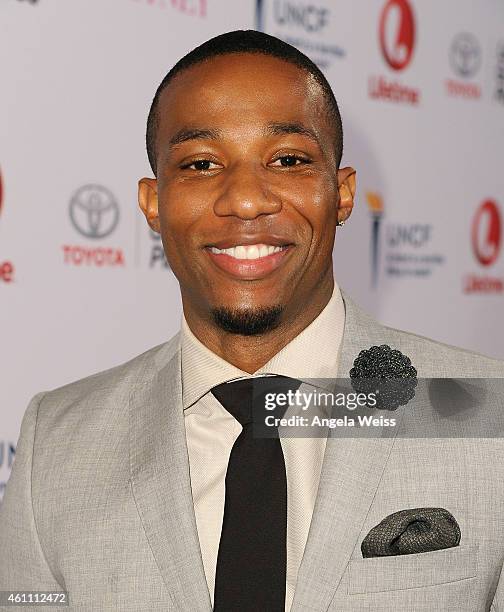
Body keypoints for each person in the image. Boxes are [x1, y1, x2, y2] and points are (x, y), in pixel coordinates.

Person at [1, 29, 503, 612]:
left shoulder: (485, 415)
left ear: (340, 195)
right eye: (201, 163)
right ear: (153, 204)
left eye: (288, 160)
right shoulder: (56, 445)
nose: (244, 199)